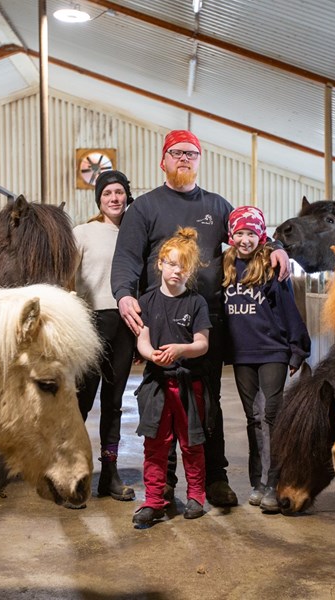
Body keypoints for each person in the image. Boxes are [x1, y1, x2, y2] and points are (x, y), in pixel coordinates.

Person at [111, 129, 291, 507]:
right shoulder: (144, 207)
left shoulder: (215, 204)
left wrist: (275, 247)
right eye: (177, 153)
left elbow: (248, 230)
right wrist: (124, 295)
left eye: (191, 154)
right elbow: (127, 258)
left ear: (199, 161)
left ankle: (215, 478)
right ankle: (166, 485)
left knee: (207, 402)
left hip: (206, 318)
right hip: (160, 319)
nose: (184, 159)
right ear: (163, 160)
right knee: (163, 402)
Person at [222, 206, 310, 513]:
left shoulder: (272, 268)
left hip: (272, 351)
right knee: (254, 419)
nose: (245, 240)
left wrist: (297, 349)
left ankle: (275, 482)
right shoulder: (226, 267)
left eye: (250, 234)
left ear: (260, 236)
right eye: (239, 233)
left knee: (272, 415)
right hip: (242, 354)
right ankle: (258, 483)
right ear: (231, 236)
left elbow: (288, 309)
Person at [132, 228, 211, 528]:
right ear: (161, 264)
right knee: (155, 444)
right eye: (172, 263)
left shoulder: (196, 303)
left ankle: (196, 497)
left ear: (190, 270)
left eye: (184, 266)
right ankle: (153, 500)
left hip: (189, 383)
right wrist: (152, 355)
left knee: (191, 443)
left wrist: (181, 349)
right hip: (157, 384)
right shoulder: (148, 300)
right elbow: (143, 339)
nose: (177, 271)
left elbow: (202, 344)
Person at [73, 170, 137, 501]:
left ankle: (109, 474)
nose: (114, 198)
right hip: (91, 323)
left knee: (114, 404)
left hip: (125, 324)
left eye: (119, 192)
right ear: (99, 199)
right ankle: (73, 474)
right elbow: (66, 278)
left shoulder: (136, 232)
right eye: (107, 193)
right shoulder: (82, 233)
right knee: (80, 401)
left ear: (127, 195)